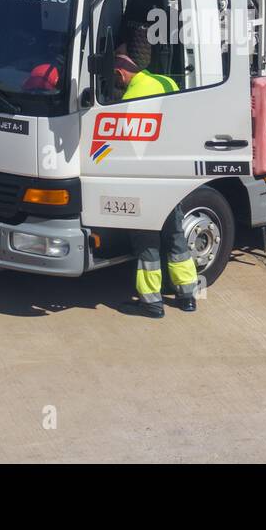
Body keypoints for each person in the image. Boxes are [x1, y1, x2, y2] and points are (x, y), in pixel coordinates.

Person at [109, 21, 197, 316]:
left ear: (121, 73)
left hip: (144, 180)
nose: (116, 84)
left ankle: (152, 303)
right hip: (172, 177)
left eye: (116, 78)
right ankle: (187, 296)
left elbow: (124, 145)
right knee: (175, 237)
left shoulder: (132, 98)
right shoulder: (166, 82)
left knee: (147, 243)